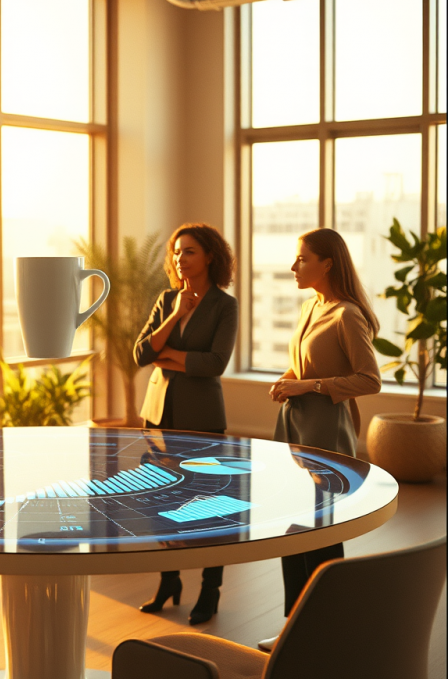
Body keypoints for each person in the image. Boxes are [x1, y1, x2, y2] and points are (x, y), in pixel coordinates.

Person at [258, 227, 381, 652]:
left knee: (321, 535)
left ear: (327, 263)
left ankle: (328, 631)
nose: (293, 267)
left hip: (324, 438)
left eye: (302, 259)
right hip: (294, 432)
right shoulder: (313, 306)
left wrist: (307, 387)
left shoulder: (347, 314)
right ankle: (294, 628)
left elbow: (369, 380)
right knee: (291, 531)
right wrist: (290, 379)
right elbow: (306, 365)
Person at [133, 222, 238, 624]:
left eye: (189, 251)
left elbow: (215, 363)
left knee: (210, 508)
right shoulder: (166, 300)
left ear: (209, 255)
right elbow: (142, 354)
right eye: (177, 252)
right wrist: (175, 315)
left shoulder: (224, 305)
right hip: (158, 417)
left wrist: (170, 356)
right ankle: (169, 581)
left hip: (202, 422)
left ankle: (210, 589)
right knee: (162, 504)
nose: (180, 258)